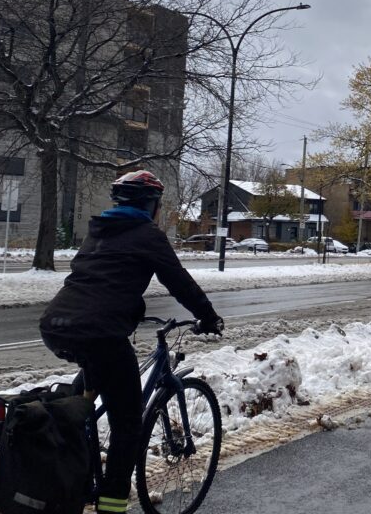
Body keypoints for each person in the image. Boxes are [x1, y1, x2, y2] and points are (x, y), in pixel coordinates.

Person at [40, 171, 224, 514]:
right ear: (151, 205)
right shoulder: (147, 235)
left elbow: (98, 279)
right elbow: (179, 282)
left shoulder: (98, 230)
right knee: (128, 427)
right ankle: (110, 507)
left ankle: (70, 470)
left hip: (56, 323)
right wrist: (209, 317)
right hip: (101, 332)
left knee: (81, 403)